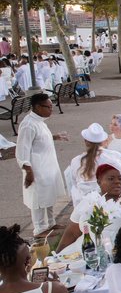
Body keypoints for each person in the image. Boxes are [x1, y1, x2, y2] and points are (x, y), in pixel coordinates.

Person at [57, 163, 121, 251]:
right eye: (111, 179)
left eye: (119, 179)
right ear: (99, 182)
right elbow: (72, 233)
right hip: (87, 251)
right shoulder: (89, 200)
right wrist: (57, 256)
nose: (117, 182)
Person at [15, 93, 68, 236]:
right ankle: (39, 228)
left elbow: (40, 138)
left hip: (48, 166)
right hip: (36, 169)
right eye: (48, 107)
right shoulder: (28, 124)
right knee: (38, 199)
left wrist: (55, 137)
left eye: (52, 106)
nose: (51, 110)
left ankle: (51, 223)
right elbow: (22, 150)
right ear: (37, 107)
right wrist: (28, 171)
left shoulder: (39, 121)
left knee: (49, 195)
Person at [65, 123, 121, 207]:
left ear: (86, 142)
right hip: (112, 203)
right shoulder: (113, 156)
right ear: (103, 141)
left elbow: (74, 184)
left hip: (85, 206)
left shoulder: (76, 161)